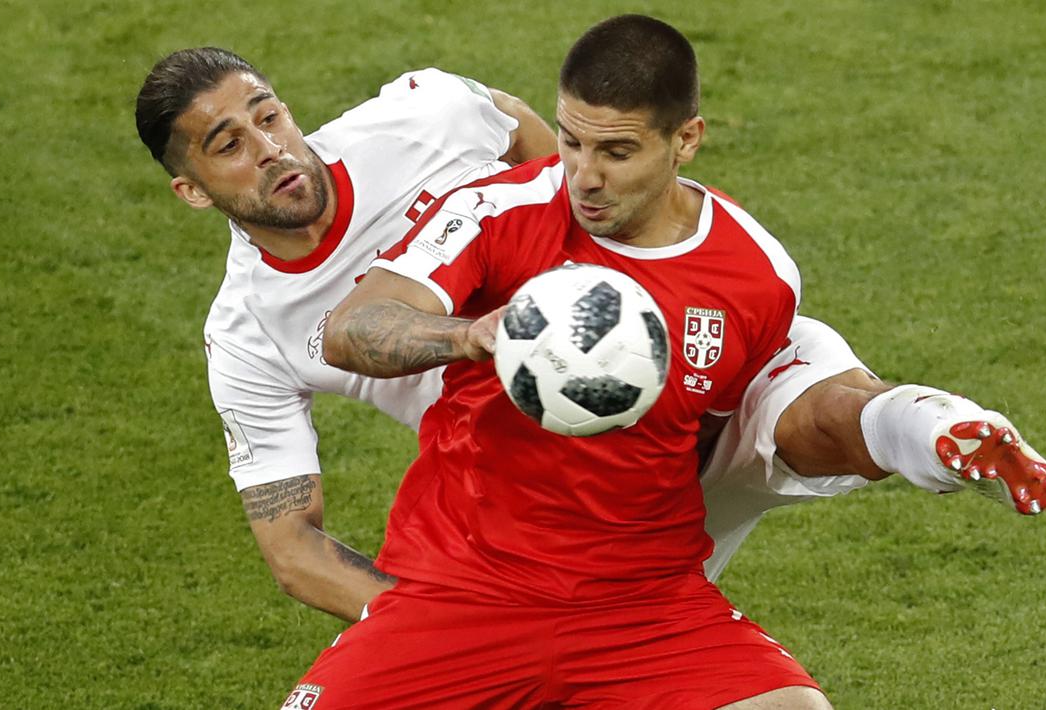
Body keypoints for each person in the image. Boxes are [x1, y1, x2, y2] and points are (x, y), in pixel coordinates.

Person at [307, 14, 857, 708]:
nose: (583, 177)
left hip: (640, 607)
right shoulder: (496, 209)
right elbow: (351, 328)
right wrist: (468, 335)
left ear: (686, 139)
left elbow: (707, 445)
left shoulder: (756, 274)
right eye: (570, 142)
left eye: (616, 152)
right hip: (459, 591)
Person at [135, 47, 557, 621]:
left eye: (268, 118)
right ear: (193, 191)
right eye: (230, 145)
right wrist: (438, 623)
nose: (270, 150)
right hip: (544, 490)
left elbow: (511, 124)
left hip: (649, 369)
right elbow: (293, 550)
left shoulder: (421, 114)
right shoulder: (246, 336)